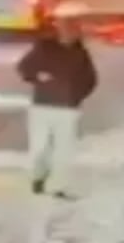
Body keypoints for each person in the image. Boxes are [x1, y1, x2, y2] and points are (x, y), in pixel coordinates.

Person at [17, 15, 98, 199]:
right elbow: (23, 68)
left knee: (64, 149)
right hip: (42, 106)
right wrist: (37, 78)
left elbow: (91, 80)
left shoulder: (80, 53)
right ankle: (38, 176)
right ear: (59, 29)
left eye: (74, 29)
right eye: (67, 28)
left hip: (68, 110)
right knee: (40, 147)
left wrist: (76, 96)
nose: (71, 32)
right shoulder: (45, 48)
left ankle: (60, 186)